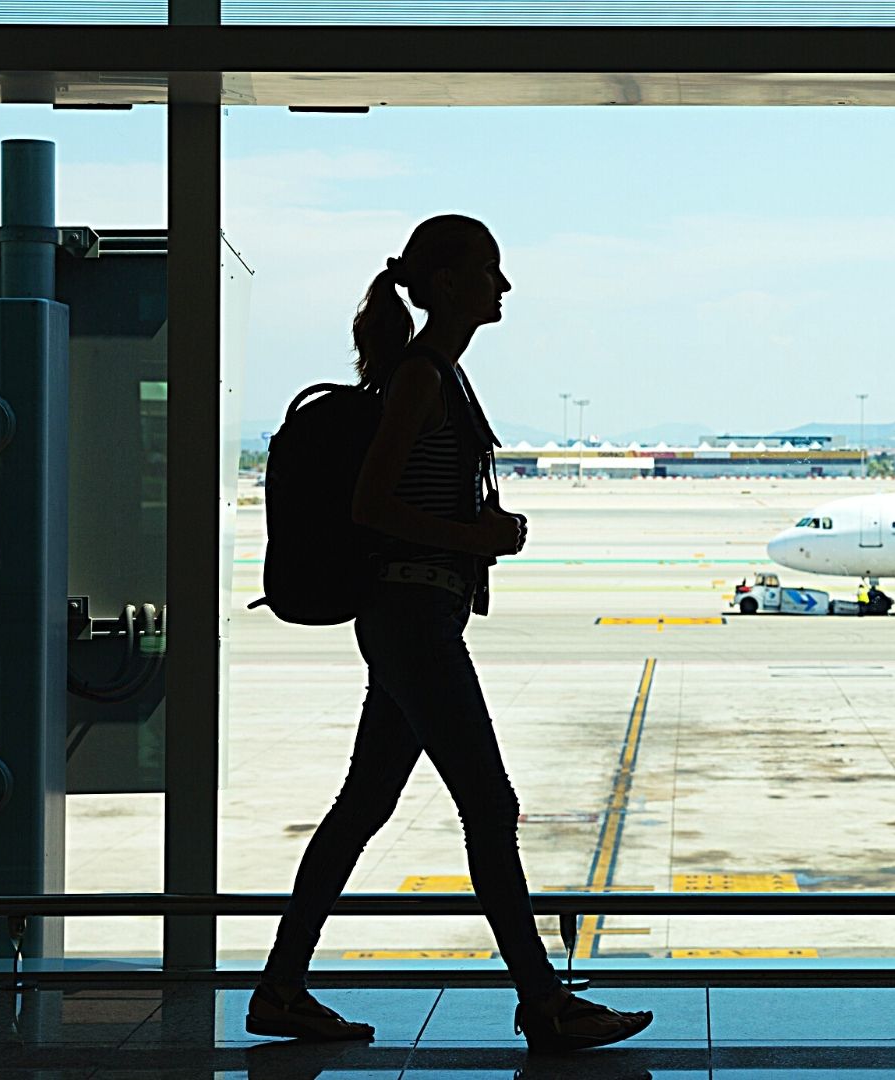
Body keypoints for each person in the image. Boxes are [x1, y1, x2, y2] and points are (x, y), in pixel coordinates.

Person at [247, 215, 652, 1053]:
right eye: (489, 270)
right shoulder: (423, 376)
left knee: (363, 805)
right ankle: (543, 1003)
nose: (503, 287)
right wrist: (478, 537)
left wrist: (469, 530)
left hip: (415, 617)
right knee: (489, 805)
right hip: (413, 621)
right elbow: (371, 505)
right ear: (444, 284)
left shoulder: (437, 374)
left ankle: (281, 988)